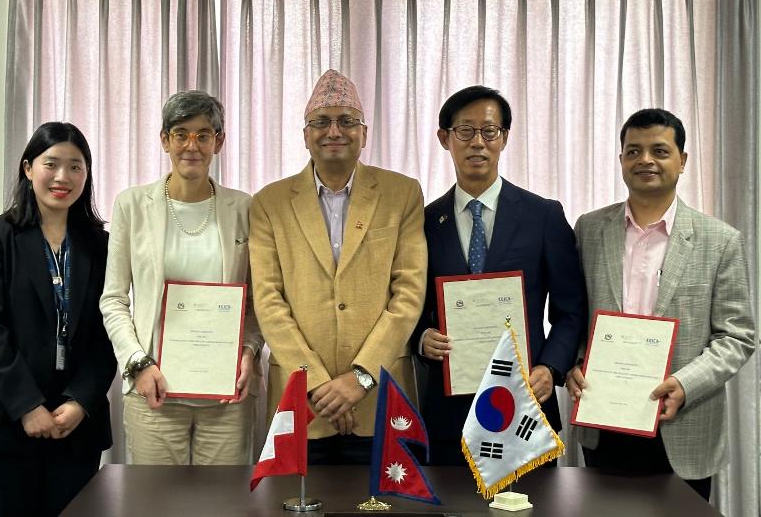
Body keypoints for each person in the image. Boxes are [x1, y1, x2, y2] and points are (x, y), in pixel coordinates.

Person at [566, 108, 755, 500]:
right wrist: (575, 362)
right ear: (621, 160)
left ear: (682, 161)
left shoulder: (720, 240)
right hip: (603, 423)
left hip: (682, 423)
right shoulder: (589, 228)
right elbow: (574, 315)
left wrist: (685, 385)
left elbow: (737, 337)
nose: (645, 160)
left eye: (659, 151)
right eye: (633, 151)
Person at [249, 69, 427, 464]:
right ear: (305, 135)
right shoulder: (269, 203)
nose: (334, 131)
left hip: (382, 397)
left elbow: (409, 294)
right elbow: (268, 301)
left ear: (363, 134)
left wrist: (361, 377)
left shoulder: (402, 193)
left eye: (346, 121)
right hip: (300, 400)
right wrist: (317, 382)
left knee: (387, 511)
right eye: (321, 122)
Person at [411, 85, 587, 465]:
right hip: (448, 410)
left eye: (489, 131)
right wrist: (420, 337)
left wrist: (550, 367)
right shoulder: (423, 222)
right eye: (465, 131)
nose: (478, 142)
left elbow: (571, 310)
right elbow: (407, 304)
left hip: (525, 404)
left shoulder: (544, 216)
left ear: (504, 138)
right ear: (445, 138)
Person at [0, 123, 116, 516]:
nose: (63, 177)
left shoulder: (100, 245)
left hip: (75, 427)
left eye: (76, 166)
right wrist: (27, 406)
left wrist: (82, 401)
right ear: (28, 169)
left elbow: (109, 330)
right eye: (52, 164)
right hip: (2, 423)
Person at [100, 90, 262, 465]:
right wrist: (138, 363)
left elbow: (255, 300)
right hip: (153, 389)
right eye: (181, 133)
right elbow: (114, 299)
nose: (192, 145)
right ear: (164, 139)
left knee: (224, 503)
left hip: (226, 395)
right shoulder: (132, 205)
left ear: (218, 142)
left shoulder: (244, 208)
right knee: (156, 503)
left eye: (204, 134)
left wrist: (249, 351)